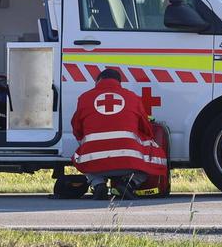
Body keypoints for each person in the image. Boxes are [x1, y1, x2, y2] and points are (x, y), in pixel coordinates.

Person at [71, 68, 167, 200]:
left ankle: (98, 184)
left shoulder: (84, 98)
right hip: (129, 165)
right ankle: (128, 184)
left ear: (98, 81)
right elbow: (146, 129)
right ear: (119, 82)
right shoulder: (132, 97)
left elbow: (77, 129)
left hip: (95, 164)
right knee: (154, 154)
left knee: (80, 153)